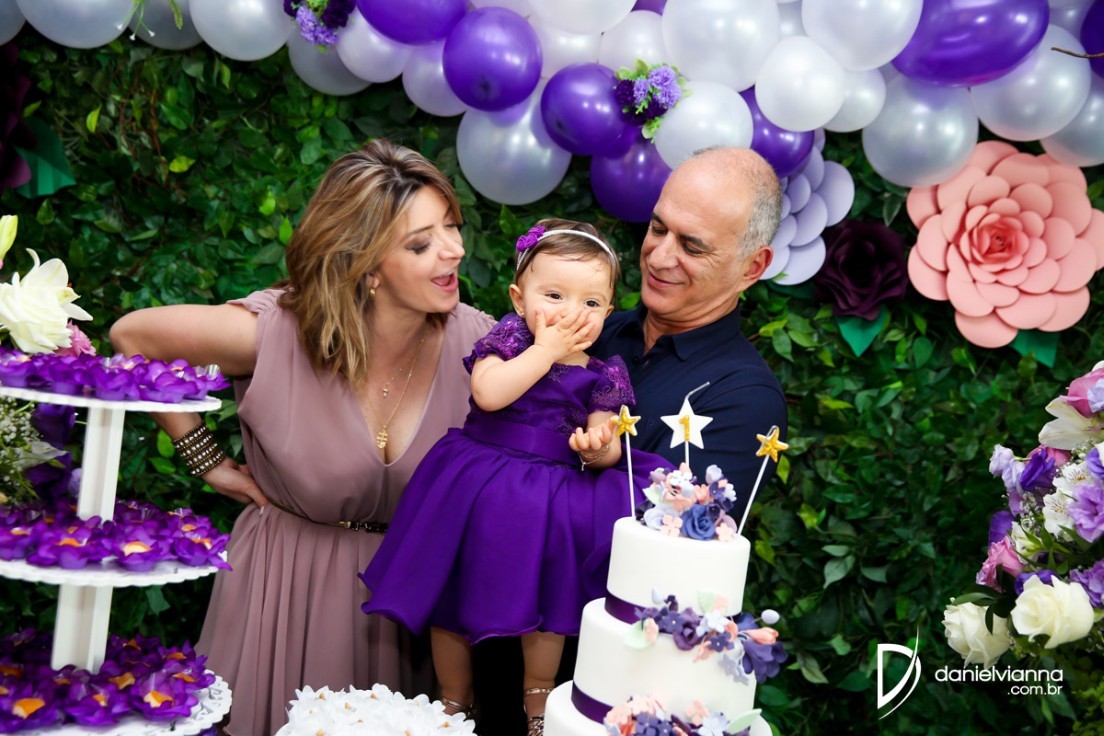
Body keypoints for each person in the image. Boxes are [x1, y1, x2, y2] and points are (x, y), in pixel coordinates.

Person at [108, 139, 496, 736]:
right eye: (422, 243)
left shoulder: (483, 349)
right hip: (282, 597)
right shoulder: (276, 334)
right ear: (366, 264)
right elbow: (133, 338)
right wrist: (206, 459)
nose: (454, 250)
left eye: (452, 226)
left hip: (409, 616)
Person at [359, 219, 672, 736]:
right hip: (476, 485)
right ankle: (452, 702)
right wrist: (544, 351)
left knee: (548, 604)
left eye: (591, 303)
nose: (571, 313)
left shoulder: (605, 372)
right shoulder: (508, 339)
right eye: (554, 295)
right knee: (451, 595)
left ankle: (539, 704)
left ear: (608, 312)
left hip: (550, 502)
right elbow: (488, 394)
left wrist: (598, 448)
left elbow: (610, 442)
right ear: (518, 298)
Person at [591, 146, 788, 518]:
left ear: (752, 267)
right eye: (658, 228)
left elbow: (656, 527)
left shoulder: (746, 399)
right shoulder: (593, 331)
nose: (658, 257)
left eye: (692, 247)